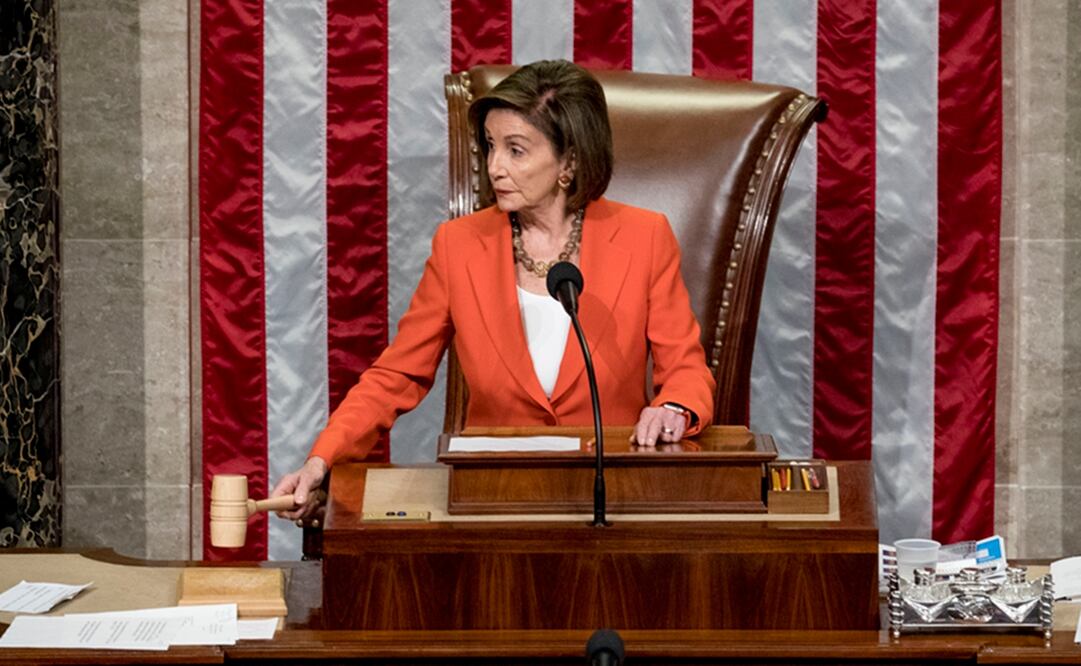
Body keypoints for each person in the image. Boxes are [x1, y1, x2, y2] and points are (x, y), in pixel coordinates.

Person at [272, 60, 715, 520]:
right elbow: (397, 376)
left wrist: (674, 407)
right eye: (489, 145)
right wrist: (322, 459)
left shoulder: (644, 237)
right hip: (492, 501)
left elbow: (686, 368)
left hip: (612, 497)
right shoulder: (459, 246)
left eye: (515, 150)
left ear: (569, 161)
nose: (494, 166)